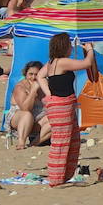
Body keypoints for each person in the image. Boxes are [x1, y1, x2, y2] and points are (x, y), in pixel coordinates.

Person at [38, 34, 94, 187]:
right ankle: (56, 178)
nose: (71, 48)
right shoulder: (62, 62)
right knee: (61, 142)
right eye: (69, 45)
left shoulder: (51, 63)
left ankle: (63, 175)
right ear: (63, 47)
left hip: (61, 105)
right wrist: (89, 49)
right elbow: (87, 63)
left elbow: (40, 76)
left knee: (73, 140)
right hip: (61, 106)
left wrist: (49, 94)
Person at [9, 61, 52, 149]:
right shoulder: (20, 87)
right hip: (19, 118)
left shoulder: (46, 85)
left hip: (38, 118)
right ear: (26, 74)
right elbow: (25, 108)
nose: (33, 77)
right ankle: (21, 142)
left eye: (36, 74)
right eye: (30, 74)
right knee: (27, 115)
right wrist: (33, 91)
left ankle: (35, 143)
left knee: (55, 119)